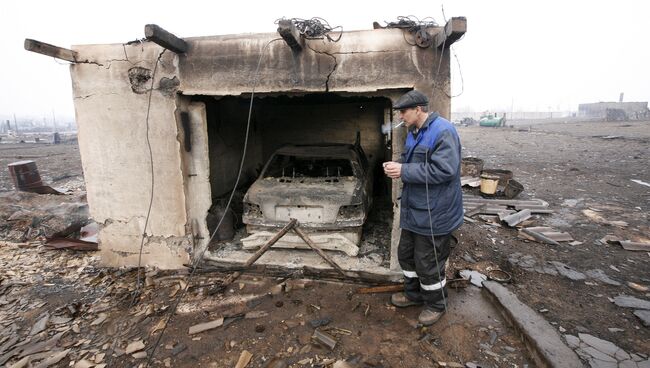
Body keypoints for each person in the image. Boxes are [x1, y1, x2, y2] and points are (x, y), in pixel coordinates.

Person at [383, 90, 463, 326]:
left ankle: (436, 304)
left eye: (403, 111)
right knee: (406, 256)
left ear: (418, 109)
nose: (400, 116)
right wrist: (398, 165)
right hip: (415, 210)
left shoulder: (443, 131)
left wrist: (404, 171)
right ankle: (414, 295)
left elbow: (445, 171)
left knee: (428, 263)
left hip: (435, 213)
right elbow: (413, 163)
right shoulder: (413, 133)